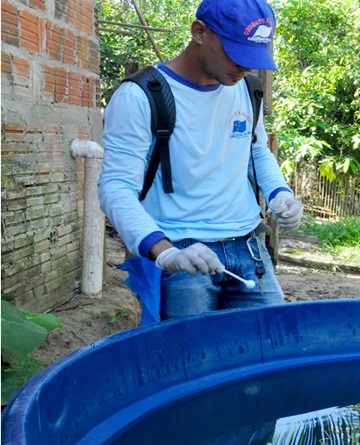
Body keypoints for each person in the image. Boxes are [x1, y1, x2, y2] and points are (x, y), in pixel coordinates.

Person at [98, 0, 302, 321]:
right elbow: (115, 187)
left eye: (253, 59)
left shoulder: (248, 90)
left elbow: (256, 149)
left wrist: (279, 192)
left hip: (249, 247)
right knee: (191, 365)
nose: (245, 68)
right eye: (236, 55)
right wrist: (165, 253)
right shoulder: (139, 96)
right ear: (199, 32)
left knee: (267, 355)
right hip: (182, 254)